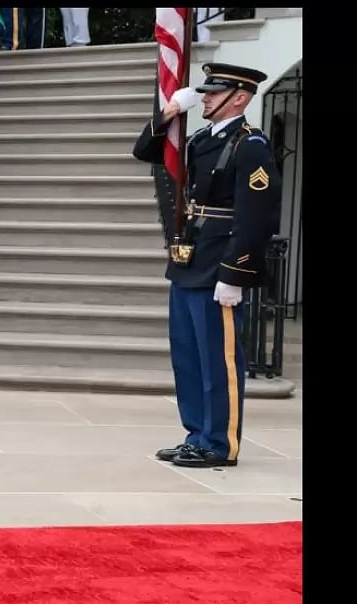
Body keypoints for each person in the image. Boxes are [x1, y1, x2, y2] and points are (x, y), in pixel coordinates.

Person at [132, 62, 281, 469]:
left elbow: (258, 217)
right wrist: (169, 113)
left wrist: (235, 274)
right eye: (206, 91)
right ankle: (196, 435)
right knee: (189, 356)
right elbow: (145, 152)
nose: (205, 98)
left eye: (214, 93)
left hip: (219, 269)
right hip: (188, 260)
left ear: (239, 98)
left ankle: (219, 443)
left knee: (219, 360)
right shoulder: (199, 139)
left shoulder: (250, 146)